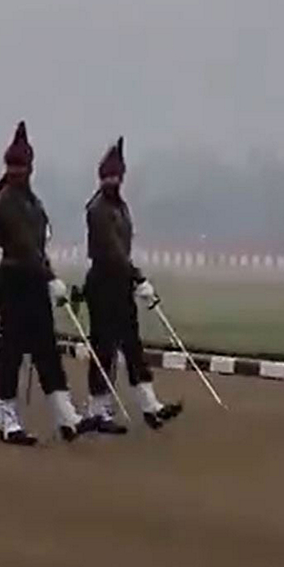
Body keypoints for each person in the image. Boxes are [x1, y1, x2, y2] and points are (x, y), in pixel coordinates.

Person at [0, 122, 87, 445]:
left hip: (34, 278)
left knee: (46, 348)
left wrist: (49, 273)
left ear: (31, 168)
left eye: (22, 167)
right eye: (12, 167)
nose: (17, 172)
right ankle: (7, 419)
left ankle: (65, 415)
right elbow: (23, 244)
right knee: (12, 351)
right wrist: (51, 277)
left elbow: (40, 247)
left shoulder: (34, 203)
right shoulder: (5, 202)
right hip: (14, 278)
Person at [82, 137, 182, 432]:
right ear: (102, 178)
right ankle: (98, 410)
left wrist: (132, 277)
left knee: (132, 346)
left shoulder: (121, 208)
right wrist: (137, 277)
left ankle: (151, 406)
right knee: (105, 349)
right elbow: (112, 251)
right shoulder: (98, 209)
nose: (113, 180)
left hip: (120, 283)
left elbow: (123, 250)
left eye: (117, 175)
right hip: (103, 283)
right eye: (109, 176)